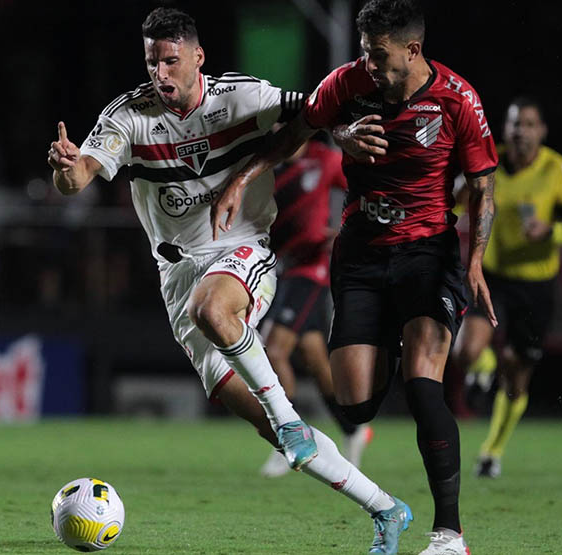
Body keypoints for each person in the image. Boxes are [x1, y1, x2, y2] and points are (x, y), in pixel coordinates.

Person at [46, 7, 412, 552]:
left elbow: (312, 112)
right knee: (281, 438)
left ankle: (287, 413)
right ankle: (386, 508)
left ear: (198, 58)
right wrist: (65, 166)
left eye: (171, 61)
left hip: (243, 252)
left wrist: (343, 132)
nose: (160, 74)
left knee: (214, 311)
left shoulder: (241, 98)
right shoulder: (129, 117)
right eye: (152, 63)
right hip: (177, 276)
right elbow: (77, 181)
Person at [213, 1, 498, 552]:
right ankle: (391, 341)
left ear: (412, 50)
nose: (367, 62)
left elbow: (483, 185)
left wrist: (476, 258)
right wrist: (250, 174)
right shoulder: (346, 85)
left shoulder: (458, 99)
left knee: (422, 384)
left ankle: (449, 533)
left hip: (427, 253)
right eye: (364, 51)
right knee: (354, 403)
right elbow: (297, 131)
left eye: (378, 53)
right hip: (362, 255)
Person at [452, 98, 562, 479]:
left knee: (517, 370)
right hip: (491, 275)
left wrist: (551, 231)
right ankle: (484, 367)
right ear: (504, 129)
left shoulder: (559, 170)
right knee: (468, 351)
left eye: (528, 124)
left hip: (538, 283)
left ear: (541, 131)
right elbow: (451, 204)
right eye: (514, 124)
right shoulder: (486, 164)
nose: (520, 131)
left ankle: (492, 451)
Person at [258, 136, 373, 478]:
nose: (281, 131)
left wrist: (347, 231)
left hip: (312, 269)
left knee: (273, 349)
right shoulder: (270, 166)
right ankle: (354, 429)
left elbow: (366, 186)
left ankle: (288, 438)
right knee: (313, 357)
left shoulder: (325, 158)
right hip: (282, 267)